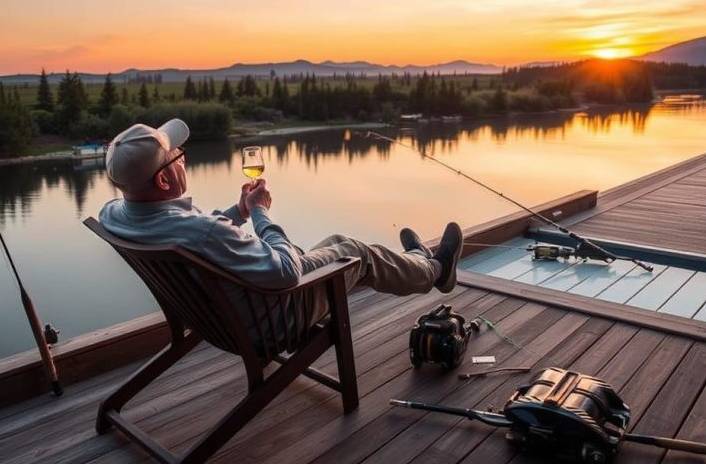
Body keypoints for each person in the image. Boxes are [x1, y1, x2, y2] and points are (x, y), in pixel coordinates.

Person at [98, 119, 463, 330]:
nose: (183, 160)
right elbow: (287, 272)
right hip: (273, 317)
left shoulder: (114, 214)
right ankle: (434, 271)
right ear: (163, 182)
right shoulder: (201, 233)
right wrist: (260, 213)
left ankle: (417, 260)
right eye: (177, 157)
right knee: (356, 253)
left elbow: (200, 235)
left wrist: (239, 211)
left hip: (216, 315)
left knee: (336, 240)